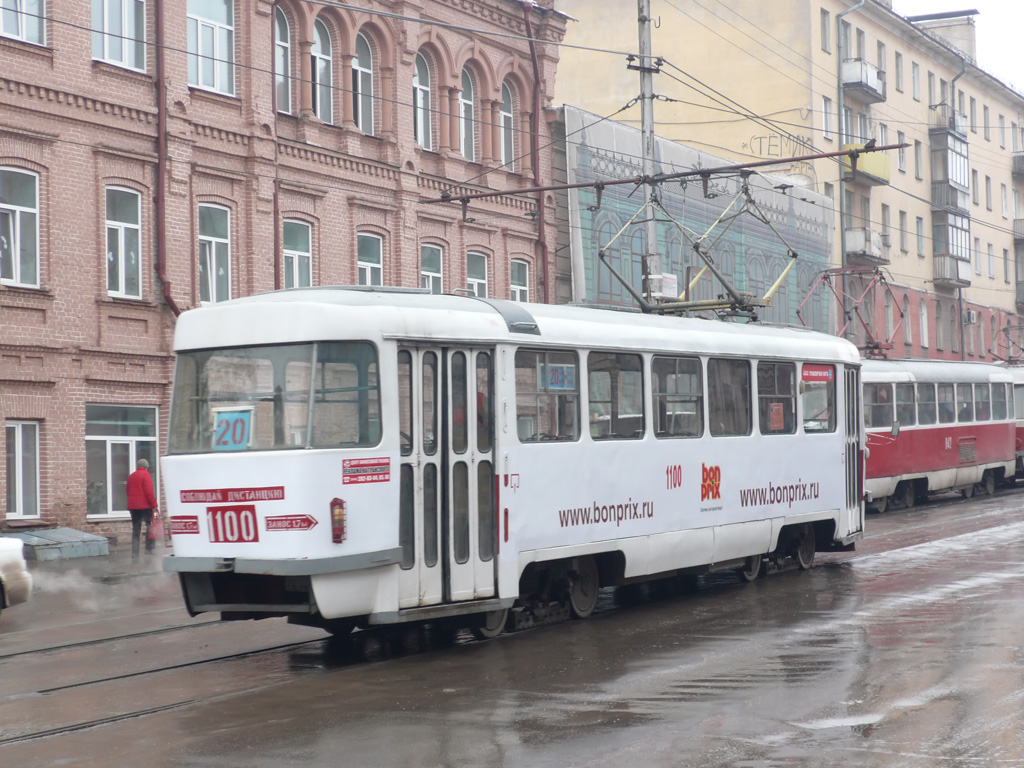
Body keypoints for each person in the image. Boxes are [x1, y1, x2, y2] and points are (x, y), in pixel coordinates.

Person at [126, 458, 158, 560]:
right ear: (146, 467)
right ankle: (148, 549)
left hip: (133, 507)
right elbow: (149, 492)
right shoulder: (146, 475)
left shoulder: (131, 476)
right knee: (149, 526)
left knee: (136, 530)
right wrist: (154, 504)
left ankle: (135, 553)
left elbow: (128, 491)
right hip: (145, 506)